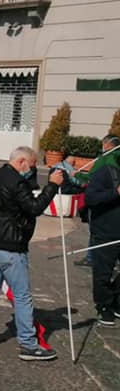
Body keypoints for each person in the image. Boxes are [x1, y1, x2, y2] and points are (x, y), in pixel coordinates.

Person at [0, 146, 64, 361]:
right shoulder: (16, 182)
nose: (31, 171)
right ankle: (29, 344)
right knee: (22, 296)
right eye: (31, 166)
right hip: (11, 246)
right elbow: (34, 207)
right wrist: (52, 186)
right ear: (21, 162)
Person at [83, 135, 120, 325]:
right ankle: (104, 306)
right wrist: (115, 193)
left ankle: (117, 302)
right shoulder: (105, 170)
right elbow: (90, 198)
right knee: (103, 273)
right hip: (106, 230)